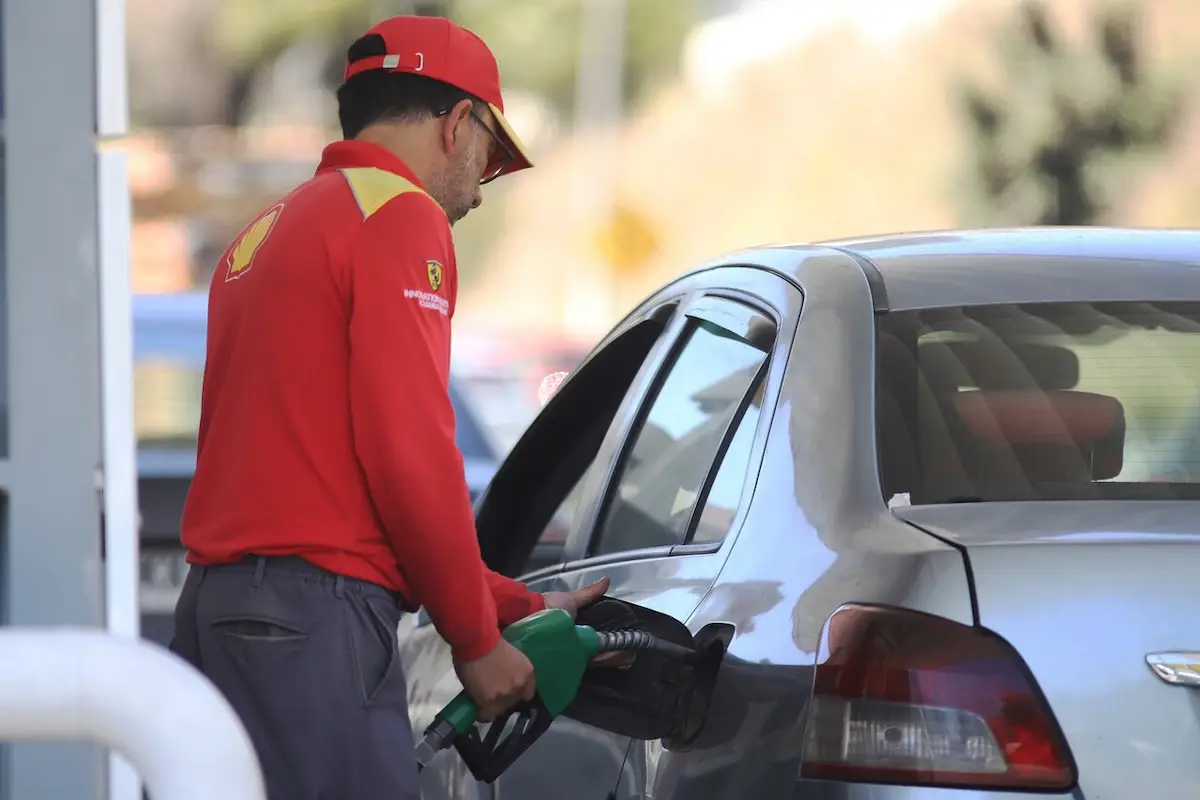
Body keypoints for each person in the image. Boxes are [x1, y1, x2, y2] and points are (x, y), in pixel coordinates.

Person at [168, 14, 610, 800]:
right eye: (491, 156)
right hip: (313, 629)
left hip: (220, 613)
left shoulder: (265, 233)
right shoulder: (401, 219)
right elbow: (408, 451)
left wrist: (513, 604)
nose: (479, 188)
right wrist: (475, 639)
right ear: (457, 124)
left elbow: (328, 483)